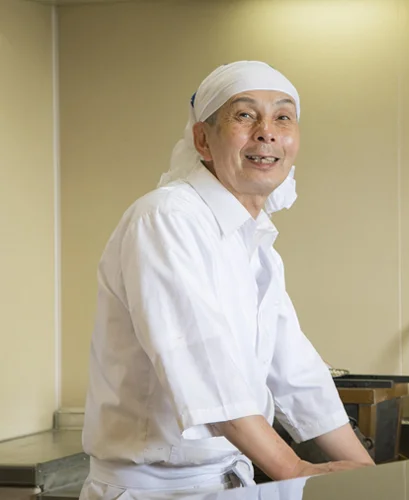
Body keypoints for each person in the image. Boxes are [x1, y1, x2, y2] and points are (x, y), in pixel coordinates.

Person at [79, 61, 374, 500]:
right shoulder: (166, 218)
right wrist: (294, 468)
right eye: (245, 115)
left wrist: (371, 476)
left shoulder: (255, 245)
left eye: (283, 117)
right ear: (202, 139)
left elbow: (296, 373)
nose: (266, 132)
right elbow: (202, 362)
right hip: (155, 491)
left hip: (228, 482)